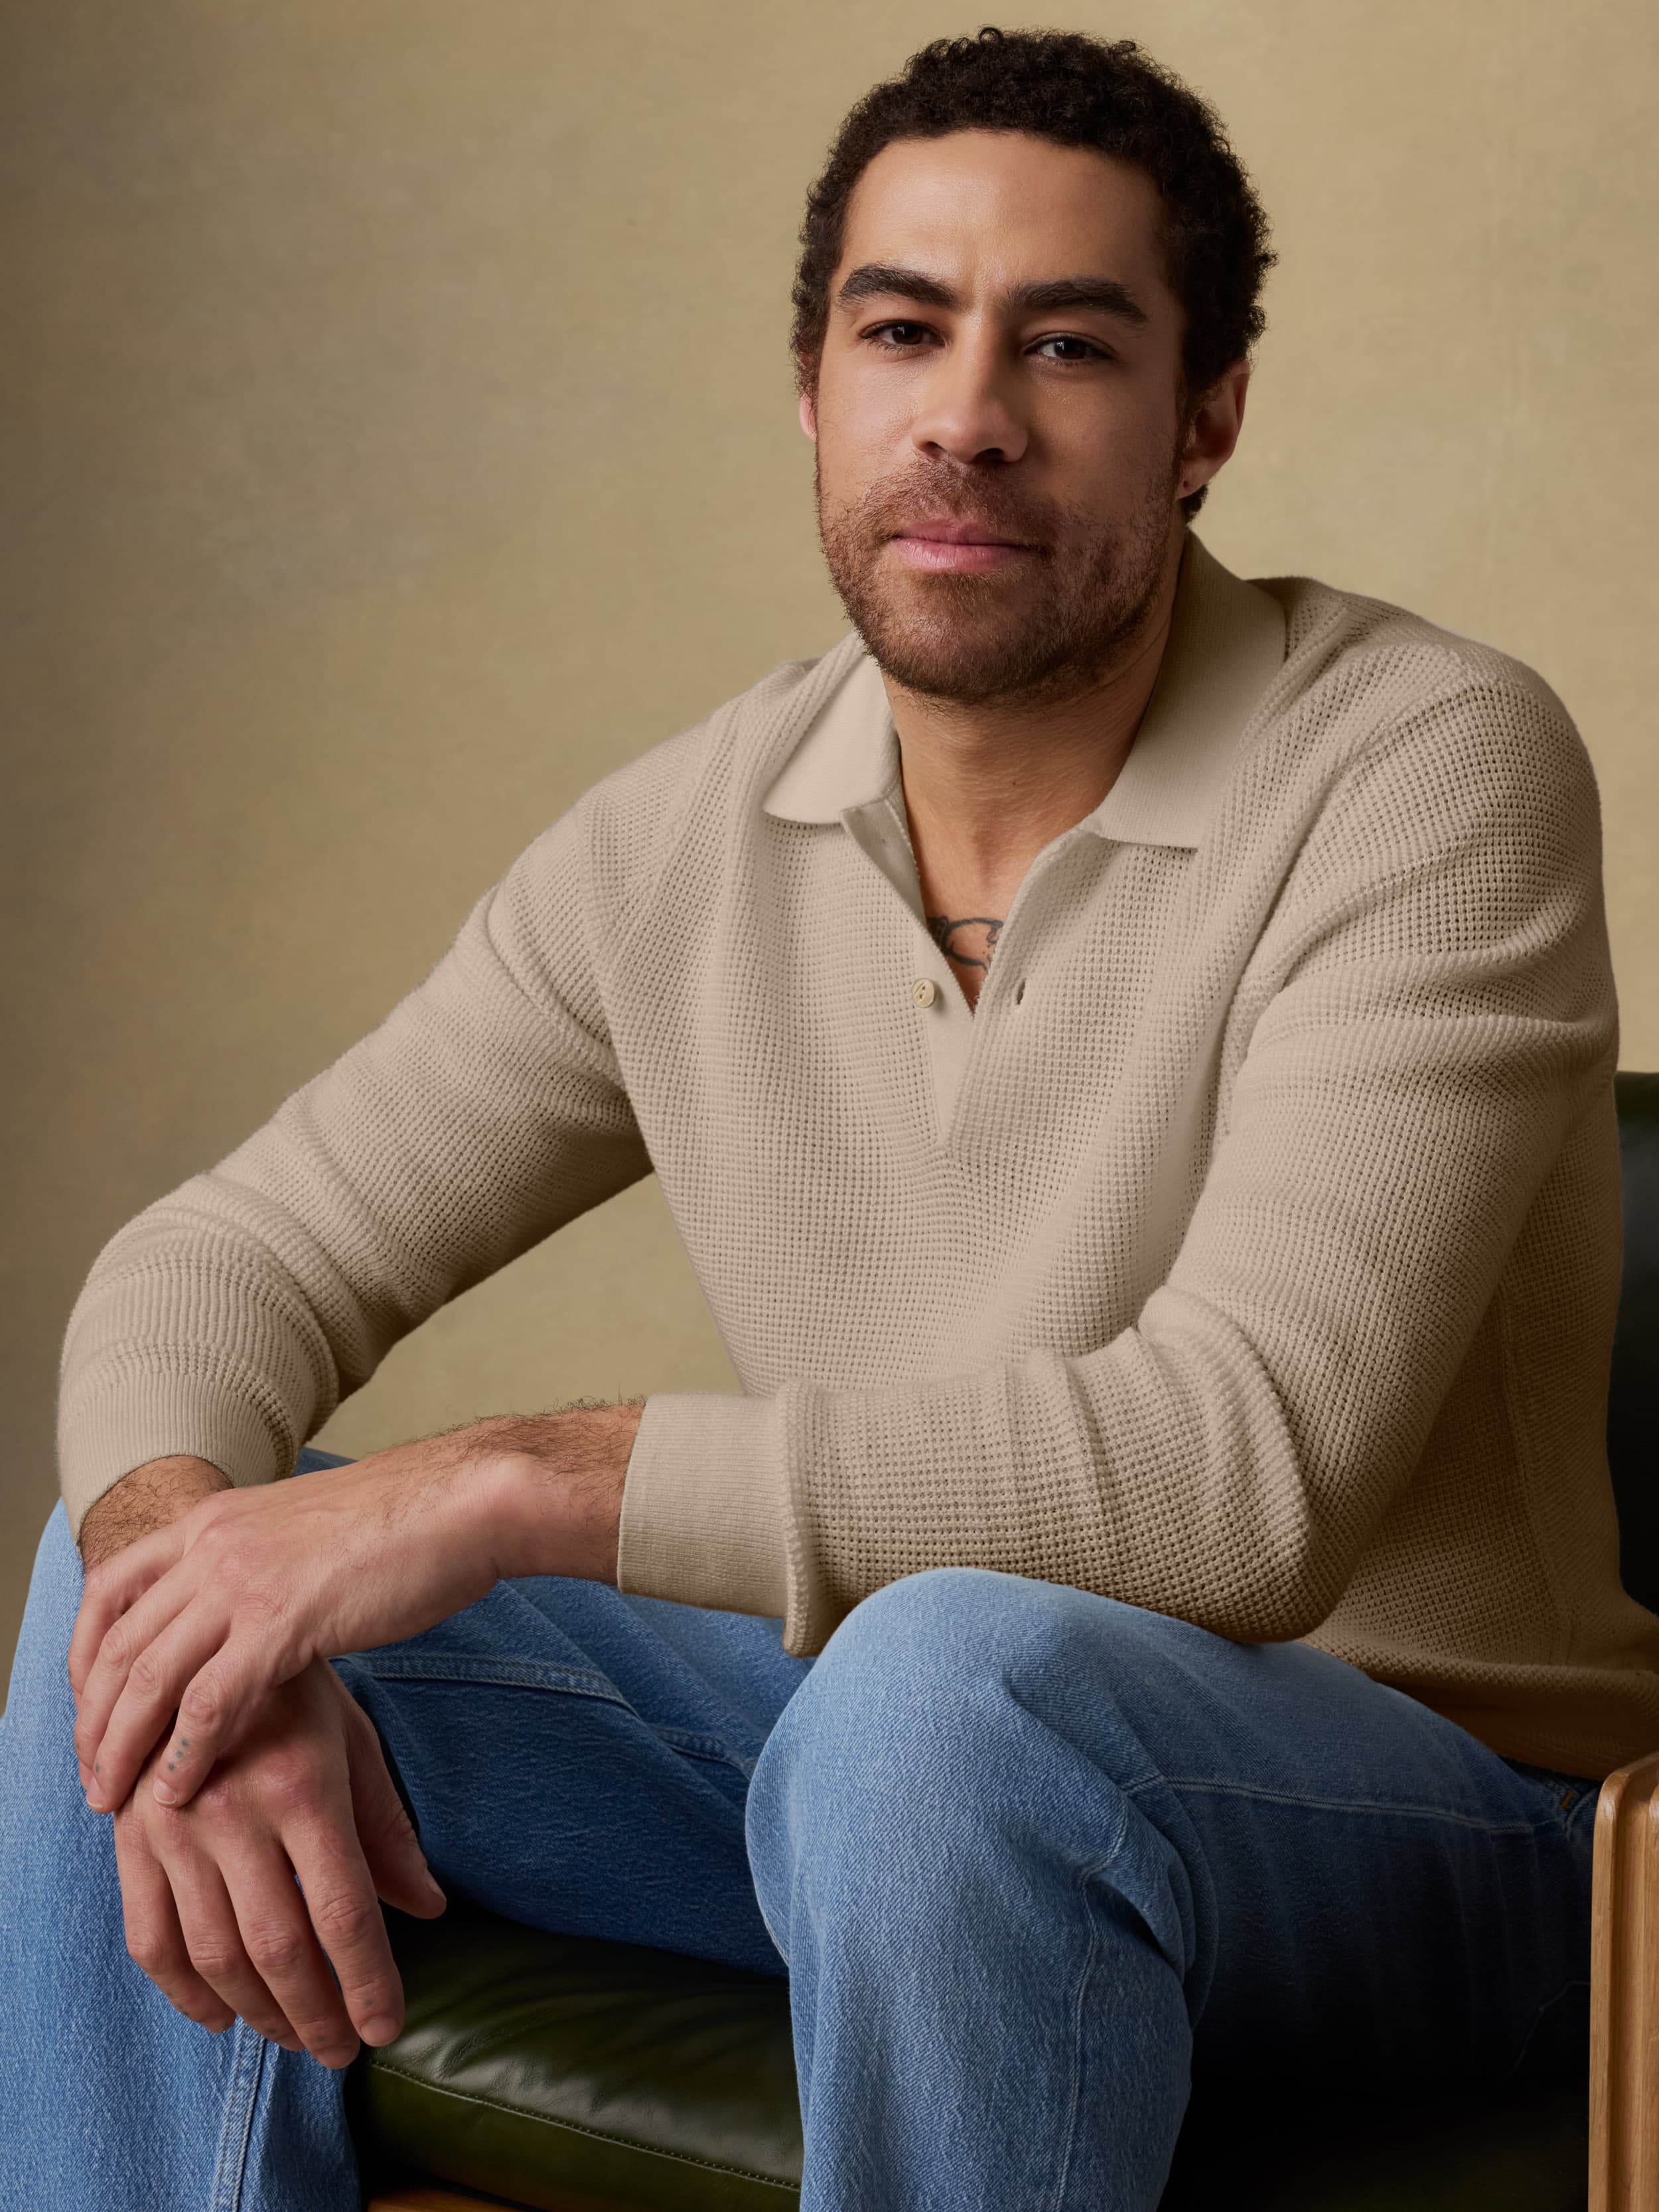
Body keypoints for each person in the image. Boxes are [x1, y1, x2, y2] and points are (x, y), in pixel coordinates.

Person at [4, 25, 1654, 2211]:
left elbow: (1240, 1479)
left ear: (1205, 420)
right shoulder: (693, 832)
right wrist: (174, 1591)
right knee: (147, 1582)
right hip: (891, 1767)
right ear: (812, 390)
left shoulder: (1425, 769)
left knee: (947, 1684)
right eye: (902, 331)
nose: (965, 417)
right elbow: (223, 1264)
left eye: (1066, 345)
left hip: (1451, 1834)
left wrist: (522, 1478)